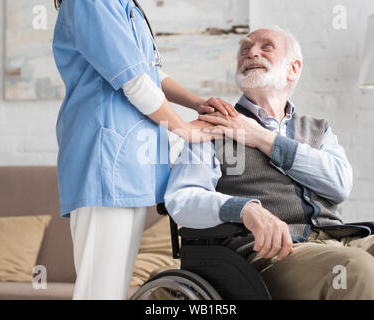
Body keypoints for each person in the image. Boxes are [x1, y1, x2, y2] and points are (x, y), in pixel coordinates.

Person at [164, 27, 374, 299]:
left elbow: (339, 185)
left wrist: (262, 137)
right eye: (245, 48)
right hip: (271, 254)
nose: (252, 52)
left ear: (293, 68)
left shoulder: (318, 129)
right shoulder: (213, 126)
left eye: (266, 46)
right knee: (354, 269)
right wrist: (245, 209)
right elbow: (182, 198)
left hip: (342, 240)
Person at [52, 0, 237, 300]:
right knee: (99, 292)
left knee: (113, 289)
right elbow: (133, 80)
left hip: (129, 165)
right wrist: (184, 129)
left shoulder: (126, 6)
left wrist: (197, 103)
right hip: (105, 160)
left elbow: (149, 73)